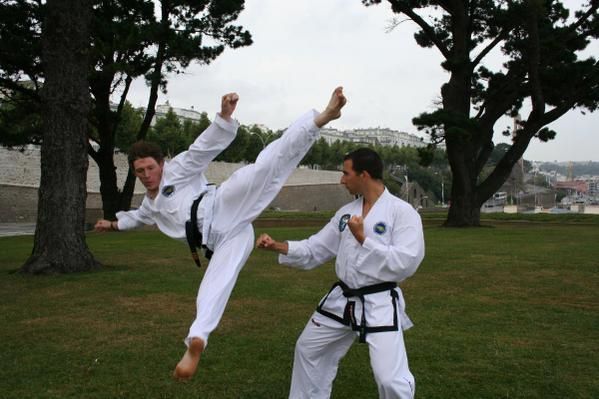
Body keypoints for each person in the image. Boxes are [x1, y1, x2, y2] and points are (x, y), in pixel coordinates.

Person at [95, 87, 347, 380]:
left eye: (151, 168)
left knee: (266, 167)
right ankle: (197, 340)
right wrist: (111, 224)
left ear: (161, 164)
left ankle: (323, 117)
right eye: (140, 171)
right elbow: (136, 219)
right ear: (135, 172)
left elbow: (202, 149)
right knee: (214, 285)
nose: (147, 174)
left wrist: (224, 118)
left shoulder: (176, 171)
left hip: (223, 205)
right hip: (225, 239)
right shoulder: (150, 205)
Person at [256, 148, 425, 399]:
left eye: (346, 173)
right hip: (341, 300)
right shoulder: (347, 213)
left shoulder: (402, 213)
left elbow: (407, 262)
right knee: (309, 349)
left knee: (390, 379)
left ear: (364, 175)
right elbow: (316, 248)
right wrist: (278, 246)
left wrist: (364, 239)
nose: (342, 180)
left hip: (378, 302)